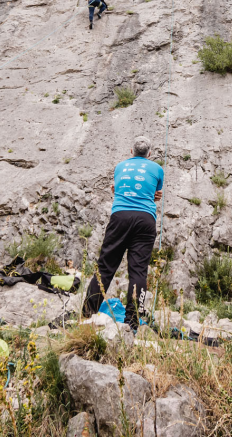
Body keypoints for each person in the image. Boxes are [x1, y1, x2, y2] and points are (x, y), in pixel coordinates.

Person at [81, 135, 163, 331]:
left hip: (120, 217)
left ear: (131, 151)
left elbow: (120, 188)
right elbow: (155, 194)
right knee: (138, 271)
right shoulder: (157, 169)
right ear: (149, 154)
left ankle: (87, 314)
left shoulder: (120, 167)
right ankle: (133, 322)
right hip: (145, 219)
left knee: (106, 267)